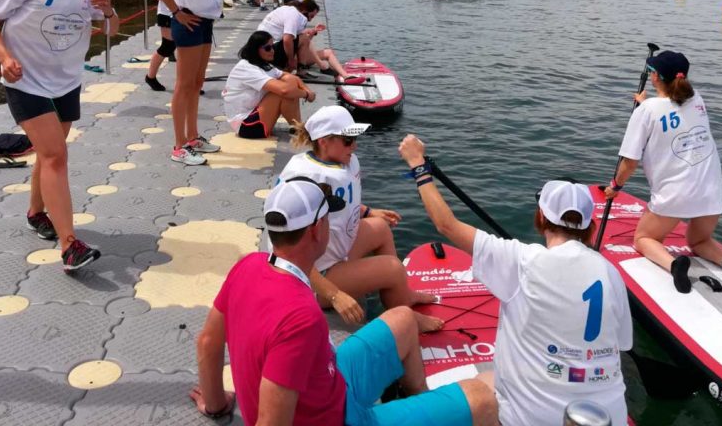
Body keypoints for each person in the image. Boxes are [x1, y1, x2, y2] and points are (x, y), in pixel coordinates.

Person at [191, 175, 498, 426]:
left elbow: (207, 342)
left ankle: (419, 400)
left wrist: (216, 405)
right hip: (339, 419)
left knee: (403, 318)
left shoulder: (248, 265)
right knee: (484, 398)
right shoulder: (301, 316)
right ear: (315, 231)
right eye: (328, 217)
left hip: (330, 384)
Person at [400, 134, 629, 426]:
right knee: (491, 377)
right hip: (610, 417)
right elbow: (620, 344)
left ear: (541, 219)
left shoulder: (523, 260)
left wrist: (418, 164)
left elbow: (446, 224)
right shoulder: (610, 272)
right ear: (589, 227)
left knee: (475, 391)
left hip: (533, 419)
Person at [0, 0, 117, 273]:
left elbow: (111, 30)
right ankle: (69, 244)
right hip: (26, 81)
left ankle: (35, 212)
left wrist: (109, 11)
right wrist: (4, 57)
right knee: (56, 154)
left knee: (48, 151)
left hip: (66, 81)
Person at [605, 50, 722, 295]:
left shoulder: (645, 111)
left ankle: (674, 264)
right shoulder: (697, 99)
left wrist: (615, 187)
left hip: (675, 194)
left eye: (651, 72)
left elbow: (630, 162)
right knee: (699, 241)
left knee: (644, 239)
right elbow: (672, 109)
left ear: (656, 77)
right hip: (711, 191)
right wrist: (644, 105)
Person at [281, 107, 443, 331]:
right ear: (325, 141)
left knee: (380, 228)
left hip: (333, 254)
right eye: (347, 140)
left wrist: (367, 211)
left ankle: (401, 296)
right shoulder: (306, 179)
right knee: (393, 268)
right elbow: (287, 255)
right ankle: (406, 320)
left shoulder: (346, 162)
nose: (354, 146)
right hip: (312, 279)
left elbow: (340, 202)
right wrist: (335, 295)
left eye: (354, 138)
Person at [152, 0, 224, 166]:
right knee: (184, 84)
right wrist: (176, 11)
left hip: (205, 22)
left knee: (197, 82)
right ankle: (179, 145)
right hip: (189, 22)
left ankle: (193, 137)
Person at [223, 31, 315, 139]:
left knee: (290, 83)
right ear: (256, 50)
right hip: (247, 126)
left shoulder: (264, 64)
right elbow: (284, 91)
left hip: (255, 118)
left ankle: (298, 128)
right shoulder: (247, 68)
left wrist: (307, 90)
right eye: (267, 48)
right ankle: (299, 129)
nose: (272, 51)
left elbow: (290, 77)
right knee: (283, 92)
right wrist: (306, 94)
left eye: (272, 47)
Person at [258, 0, 351, 79]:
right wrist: (291, 61)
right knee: (308, 41)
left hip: (272, 49)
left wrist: (314, 31)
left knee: (329, 52)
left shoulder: (288, 13)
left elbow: (303, 42)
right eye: (311, 16)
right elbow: (288, 40)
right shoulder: (294, 15)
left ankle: (343, 74)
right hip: (271, 52)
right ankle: (317, 68)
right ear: (305, 10)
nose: (310, 20)